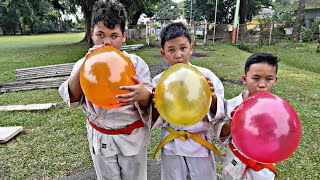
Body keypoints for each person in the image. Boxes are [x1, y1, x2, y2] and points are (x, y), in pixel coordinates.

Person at [58, 0, 152, 179]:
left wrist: (143, 94)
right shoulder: (83, 65)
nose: (107, 42)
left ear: (123, 36)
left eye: (114, 35)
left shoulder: (137, 65)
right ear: (92, 34)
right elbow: (73, 97)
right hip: (100, 137)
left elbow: (150, 101)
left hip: (132, 136)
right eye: (100, 35)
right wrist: (84, 66)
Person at [151, 21, 225, 180]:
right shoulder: (159, 81)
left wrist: (211, 98)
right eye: (171, 50)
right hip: (171, 144)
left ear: (191, 48)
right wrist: (155, 105)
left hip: (199, 143)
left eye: (183, 48)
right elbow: (153, 117)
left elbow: (220, 111)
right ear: (163, 53)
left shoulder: (205, 76)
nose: (178, 55)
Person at [214, 53, 279, 179]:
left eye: (269, 79)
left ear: (275, 80)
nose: (262, 84)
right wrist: (232, 121)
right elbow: (221, 133)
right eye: (256, 78)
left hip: (262, 166)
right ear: (244, 79)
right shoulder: (233, 105)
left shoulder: (277, 110)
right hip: (235, 161)